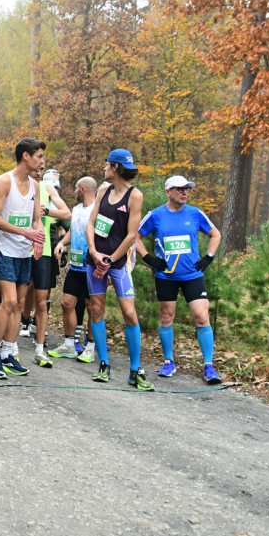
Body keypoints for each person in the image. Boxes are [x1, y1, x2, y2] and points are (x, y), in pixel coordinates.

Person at [136, 175, 223, 384]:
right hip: (166, 276)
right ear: (168, 192)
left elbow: (216, 234)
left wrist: (208, 258)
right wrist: (148, 258)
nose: (184, 192)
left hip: (193, 274)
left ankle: (209, 366)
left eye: (187, 189)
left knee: (202, 317)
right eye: (180, 189)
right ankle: (169, 361)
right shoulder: (155, 215)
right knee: (166, 317)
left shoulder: (195, 213)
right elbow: (135, 237)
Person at [85, 148, 154, 391]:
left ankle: (135, 370)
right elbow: (91, 222)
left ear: (115, 167)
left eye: (106, 165)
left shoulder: (136, 196)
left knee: (129, 313)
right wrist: (94, 253)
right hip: (94, 259)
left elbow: (132, 236)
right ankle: (103, 364)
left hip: (117, 262)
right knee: (96, 309)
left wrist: (109, 260)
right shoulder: (103, 190)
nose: (104, 169)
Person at [0, 138, 48, 379]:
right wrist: (24, 232)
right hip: (4, 250)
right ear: (26, 157)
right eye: (39, 156)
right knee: (8, 301)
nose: (42, 161)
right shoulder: (4, 181)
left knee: (20, 304)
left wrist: (37, 236)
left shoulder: (35, 185)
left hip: (24, 251)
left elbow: (36, 218)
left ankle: (9, 354)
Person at [51, 176, 98, 361]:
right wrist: (62, 243)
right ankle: (69, 345)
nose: (74, 192)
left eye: (76, 189)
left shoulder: (97, 210)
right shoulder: (77, 209)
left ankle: (91, 347)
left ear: (83, 189)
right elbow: (72, 231)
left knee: (92, 307)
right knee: (67, 303)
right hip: (76, 266)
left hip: (92, 267)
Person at [29, 166, 71, 367]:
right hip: (20, 249)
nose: (38, 170)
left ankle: (39, 349)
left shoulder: (47, 187)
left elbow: (67, 214)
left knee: (41, 301)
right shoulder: (15, 184)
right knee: (15, 300)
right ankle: (9, 346)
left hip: (44, 251)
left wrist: (46, 211)